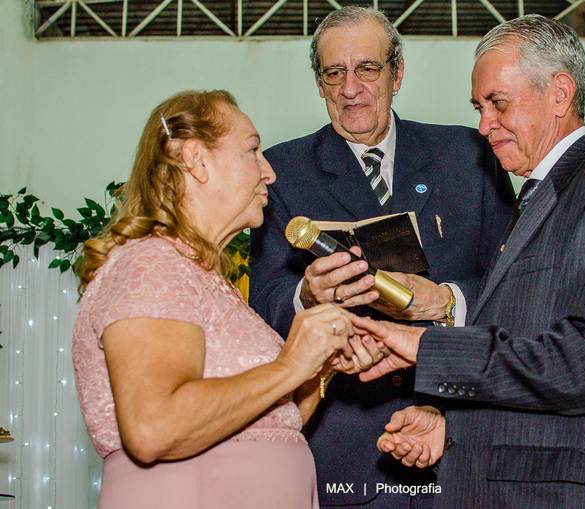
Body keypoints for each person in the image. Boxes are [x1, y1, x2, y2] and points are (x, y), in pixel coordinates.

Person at [352, 14, 585, 509]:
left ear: (560, 94)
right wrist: (453, 429)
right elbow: (531, 357)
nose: (483, 126)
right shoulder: (534, 201)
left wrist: (431, 347)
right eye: (479, 107)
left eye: (498, 104)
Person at [248, 7, 515, 508]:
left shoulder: (468, 154)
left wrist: (448, 299)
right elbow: (263, 305)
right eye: (334, 72)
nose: (351, 88)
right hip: (348, 451)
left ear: (397, 73)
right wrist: (305, 296)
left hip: (463, 432)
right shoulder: (281, 172)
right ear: (319, 83)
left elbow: (516, 285)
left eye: (367, 69)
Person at [72, 90, 384, 509]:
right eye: (253, 150)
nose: (269, 172)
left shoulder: (205, 277)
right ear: (198, 161)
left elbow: (276, 424)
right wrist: (291, 364)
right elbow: (153, 427)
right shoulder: (152, 264)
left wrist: (319, 368)